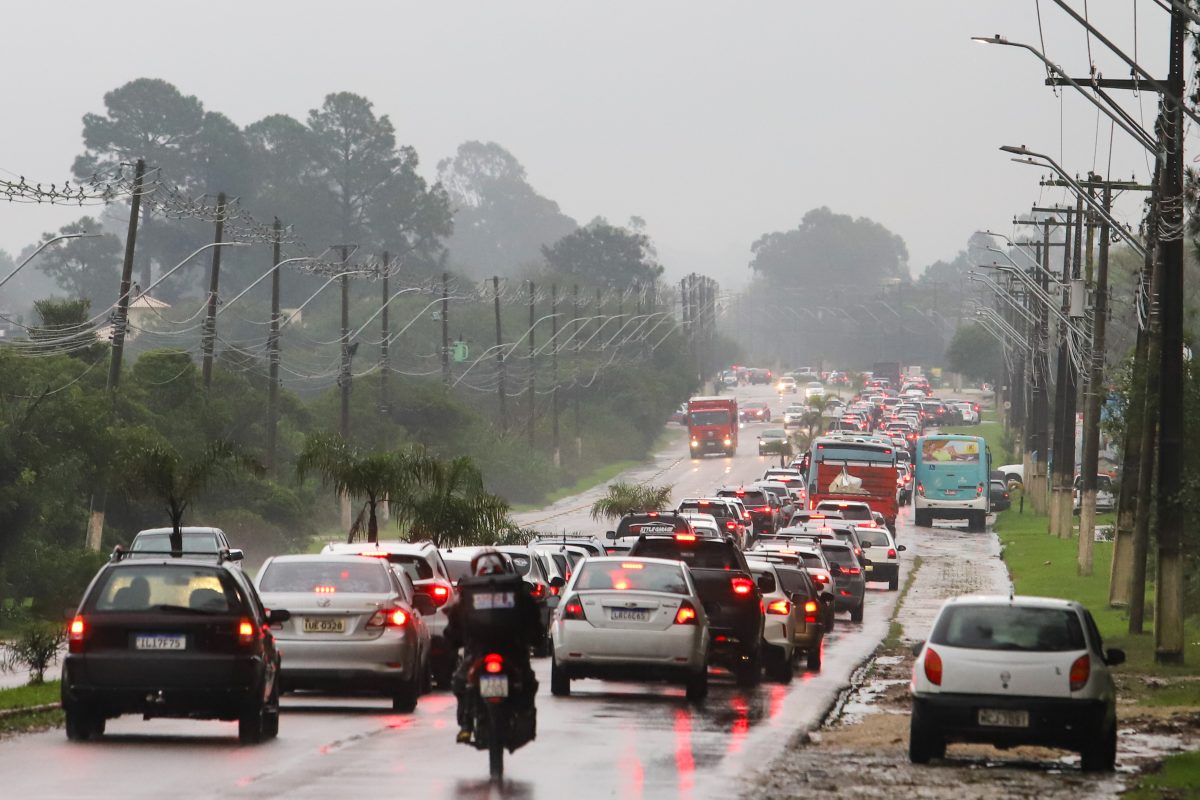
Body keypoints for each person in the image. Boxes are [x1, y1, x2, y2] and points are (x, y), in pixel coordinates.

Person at [445, 548, 543, 744]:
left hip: (487, 653)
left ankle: (466, 724)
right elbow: (533, 622)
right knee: (527, 682)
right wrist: (536, 639)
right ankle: (468, 722)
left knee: (460, 681)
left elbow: (454, 628)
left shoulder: (471, 592)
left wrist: (452, 642)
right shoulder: (514, 590)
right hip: (509, 653)